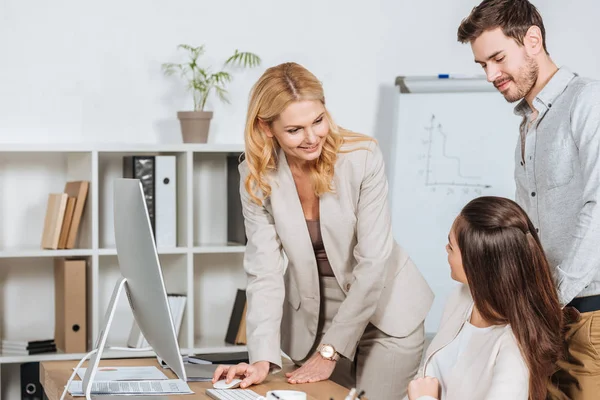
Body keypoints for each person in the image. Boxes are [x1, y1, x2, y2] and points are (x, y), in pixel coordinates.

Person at [211, 62, 434, 400]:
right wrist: (261, 357)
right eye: (295, 129)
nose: (312, 137)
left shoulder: (361, 157)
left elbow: (373, 262)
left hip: (385, 313)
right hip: (316, 319)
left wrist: (332, 351)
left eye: (318, 120)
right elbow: (264, 271)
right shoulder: (256, 177)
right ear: (267, 128)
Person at [456, 1, 600, 398]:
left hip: (589, 314)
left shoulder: (589, 102)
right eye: (482, 65)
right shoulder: (528, 124)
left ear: (532, 40)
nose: (491, 75)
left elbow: (599, 209)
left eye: (498, 58)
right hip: (550, 316)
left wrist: (550, 297)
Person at [405, 196, 563, 400]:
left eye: (451, 246)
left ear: (477, 265)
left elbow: (423, 392)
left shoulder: (513, 353)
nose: (446, 249)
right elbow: (425, 376)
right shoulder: (462, 298)